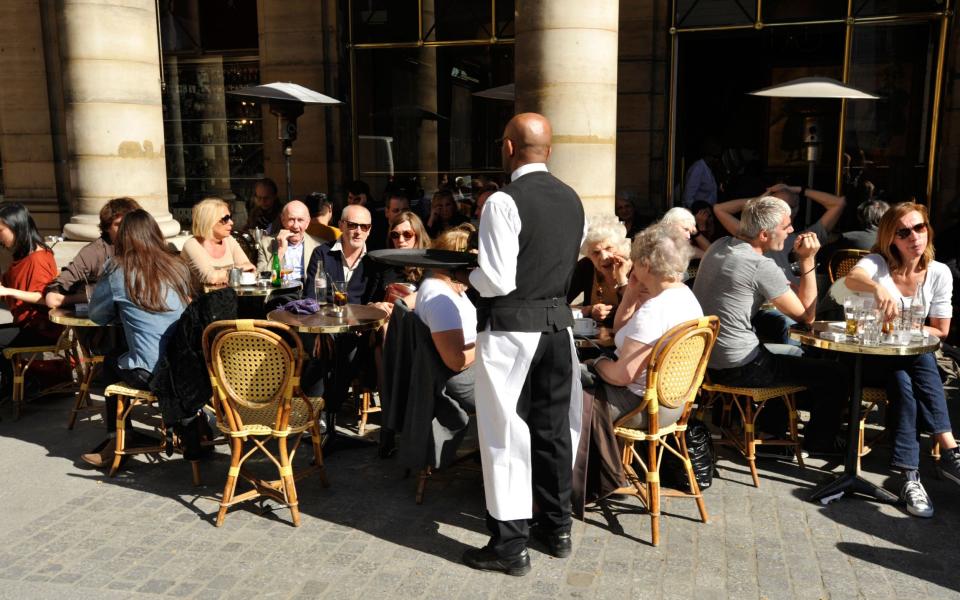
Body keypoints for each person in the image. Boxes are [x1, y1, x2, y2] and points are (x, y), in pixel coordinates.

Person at [460, 112, 586, 576]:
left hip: (513, 329)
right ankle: (557, 530)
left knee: (504, 434)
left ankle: (509, 548)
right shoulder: (575, 200)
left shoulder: (502, 201)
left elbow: (496, 278)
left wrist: (466, 273)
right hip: (559, 328)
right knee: (555, 430)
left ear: (509, 148)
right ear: (548, 151)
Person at [692, 195, 845, 455]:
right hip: (737, 365)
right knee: (834, 374)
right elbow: (807, 316)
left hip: (705, 360)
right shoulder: (759, 264)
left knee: (785, 352)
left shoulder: (719, 245)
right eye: (786, 225)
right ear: (764, 234)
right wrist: (807, 260)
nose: (792, 230)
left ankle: (770, 431)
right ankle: (819, 443)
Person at [844, 202, 960, 517]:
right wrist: (878, 289)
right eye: (904, 232)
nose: (914, 237)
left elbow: (940, 331)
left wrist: (901, 329)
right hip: (871, 361)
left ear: (928, 230)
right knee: (911, 360)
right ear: (891, 238)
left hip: (908, 364)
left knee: (904, 377)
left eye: (919, 228)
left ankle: (910, 478)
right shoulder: (877, 264)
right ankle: (949, 447)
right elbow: (852, 279)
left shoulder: (938, 273)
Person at [81, 210, 193, 467]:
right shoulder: (177, 265)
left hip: (152, 372)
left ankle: (118, 439)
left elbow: (97, 315)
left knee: (110, 360)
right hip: (185, 368)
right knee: (124, 353)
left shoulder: (118, 268)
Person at [587, 224, 703, 426]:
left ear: (646, 265)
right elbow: (620, 332)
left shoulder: (654, 311)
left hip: (640, 406)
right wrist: (630, 293)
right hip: (674, 403)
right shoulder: (685, 295)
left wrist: (594, 363)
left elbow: (622, 375)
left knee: (561, 391)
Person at [714, 183, 846, 345]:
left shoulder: (804, 237)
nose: (786, 211)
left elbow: (838, 203)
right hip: (769, 312)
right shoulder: (753, 240)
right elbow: (719, 209)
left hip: (795, 309)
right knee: (791, 331)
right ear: (763, 233)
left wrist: (798, 189)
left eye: (791, 206)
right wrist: (760, 203)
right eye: (777, 206)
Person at [302, 204, 384, 447]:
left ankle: (328, 414)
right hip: (324, 326)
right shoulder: (323, 254)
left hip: (356, 331)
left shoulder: (374, 261)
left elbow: (374, 302)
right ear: (341, 225)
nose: (358, 231)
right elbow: (311, 297)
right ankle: (320, 416)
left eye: (364, 226)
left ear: (370, 230)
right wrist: (321, 330)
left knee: (348, 351)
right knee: (320, 351)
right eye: (352, 225)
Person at [0, 203, 62, 397]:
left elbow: (45, 298)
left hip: (42, 328)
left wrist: (7, 291)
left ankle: (23, 385)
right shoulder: (24, 255)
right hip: (27, 324)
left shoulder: (39, 258)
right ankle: (12, 386)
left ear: (16, 227)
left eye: (1, 230)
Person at [44, 197, 141, 308]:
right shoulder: (94, 252)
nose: (125, 229)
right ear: (107, 227)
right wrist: (94, 296)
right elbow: (53, 296)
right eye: (118, 225)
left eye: (129, 223)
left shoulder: (148, 246)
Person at [567, 217, 632, 325]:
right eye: (596, 253)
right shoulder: (586, 266)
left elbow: (640, 310)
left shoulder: (637, 268)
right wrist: (589, 310)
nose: (604, 257)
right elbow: (559, 302)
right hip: (593, 336)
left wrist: (622, 280)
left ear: (620, 246)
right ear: (588, 255)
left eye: (608, 248)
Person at [181, 198, 255, 286]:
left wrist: (226, 273)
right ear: (209, 221)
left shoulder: (229, 240)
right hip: (202, 298)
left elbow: (250, 269)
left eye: (230, 217)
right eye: (226, 218)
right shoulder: (192, 245)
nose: (231, 222)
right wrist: (237, 270)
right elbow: (211, 278)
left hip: (229, 295)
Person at [262, 200, 324, 281]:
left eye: (300, 220)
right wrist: (280, 251)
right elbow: (262, 278)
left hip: (308, 290)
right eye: (291, 219)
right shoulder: (266, 243)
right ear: (283, 220)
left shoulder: (320, 245)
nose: (295, 226)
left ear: (307, 222)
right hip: (281, 291)